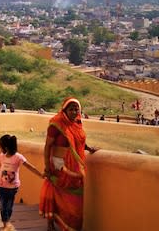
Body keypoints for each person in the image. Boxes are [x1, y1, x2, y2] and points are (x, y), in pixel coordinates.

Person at [39, 97, 98, 231]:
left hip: (76, 168)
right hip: (60, 168)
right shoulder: (56, 124)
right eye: (71, 109)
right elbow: (48, 146)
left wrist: (89, 148)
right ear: (64, 110)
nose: (74, 112)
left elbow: (79, 141)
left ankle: (72, 226)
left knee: (76, 199)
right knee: (56, 195)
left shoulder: (77, 122)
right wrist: (47, 167)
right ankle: (51, 222)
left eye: (76, 109)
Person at [0, 135, 43, 231]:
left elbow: (30, 167)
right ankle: (5, 224)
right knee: (2, 206)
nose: (0, 149)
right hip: (0, 186)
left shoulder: (18, 157)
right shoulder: (1, 156)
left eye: (0, 147)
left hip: (12, 188)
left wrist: (40, 175)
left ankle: (7, 222)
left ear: (5, 147)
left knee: (9, 206)